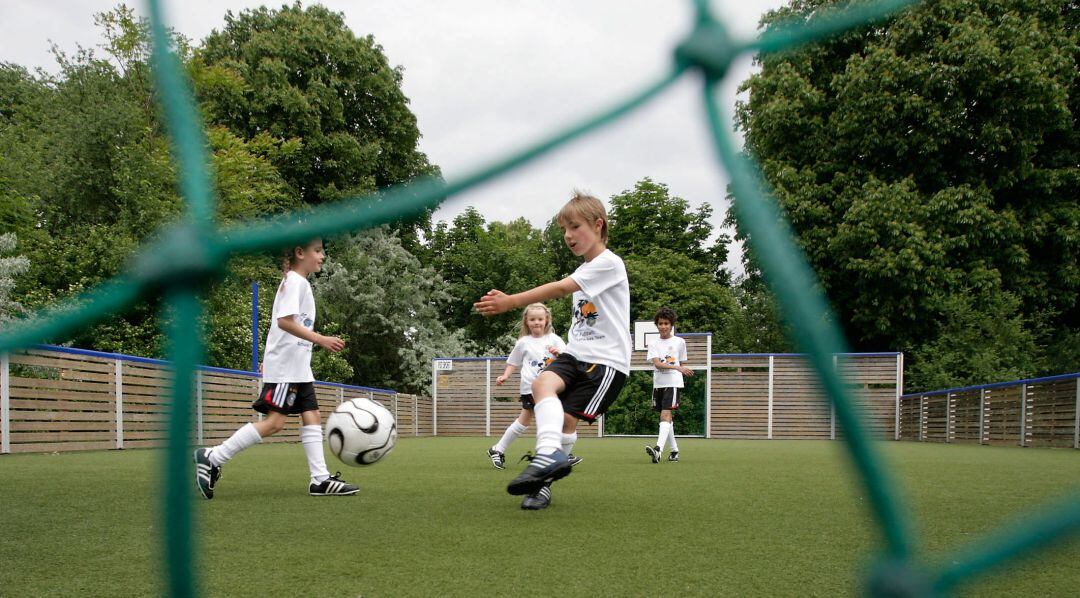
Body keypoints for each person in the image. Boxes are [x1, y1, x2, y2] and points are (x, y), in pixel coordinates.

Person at [475, 191, 630, 510]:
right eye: (563, 229)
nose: (568, 235)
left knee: (566, 423)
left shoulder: (608, 264)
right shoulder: (587, 270)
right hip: (575, 355)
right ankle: (548, 455)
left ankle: (543, 483)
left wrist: (510, 302)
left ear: (598, 225)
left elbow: (560, 288)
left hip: (606, 363)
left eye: (575, 227)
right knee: (540, 384)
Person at [193, 238, 358, 499]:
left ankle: (320, 479)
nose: (322, 256)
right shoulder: (294, 281)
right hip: (286, 368)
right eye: (317, 251)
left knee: (312, 415)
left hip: (297, 368)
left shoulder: (298, 283)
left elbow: (284, 325)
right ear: (299, 253)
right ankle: (213, 456)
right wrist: (321, 339)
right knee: (274, 423)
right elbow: (283, 322)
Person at [487, 303, 567, 469]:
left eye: (540, 319)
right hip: (530, 388)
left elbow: (568, 358)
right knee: (525, 421)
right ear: (526, 322)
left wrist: (558, 354)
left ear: (546, 320)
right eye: (532, 319)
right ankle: (498, 449)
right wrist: (505, 376)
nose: (536, 322)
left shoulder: (554, 339)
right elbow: (513, 363)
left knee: (557, 419)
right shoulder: (523, 342)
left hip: (552, 387)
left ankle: (559, 452)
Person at [645, 307, 693, 463]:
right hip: (658, 383)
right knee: (667, 419)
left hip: (673, 383)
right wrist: (678, 367)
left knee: (664, 415)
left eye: (666, 323)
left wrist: (679, 369)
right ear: (657, 325)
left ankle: (658, 449)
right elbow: (658, 364)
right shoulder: (653, 343)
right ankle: (674, 451)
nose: (663, 326)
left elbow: (682, 362)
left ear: (672, 325)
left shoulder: (680, 342)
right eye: (660, 323)